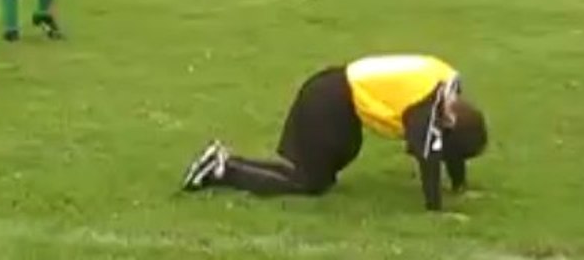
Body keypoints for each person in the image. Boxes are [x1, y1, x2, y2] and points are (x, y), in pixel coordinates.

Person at [180, 54, 488, 212]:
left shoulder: (447, 84)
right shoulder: (429, 106)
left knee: (317, 176)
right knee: (309, 183)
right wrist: (436, 209)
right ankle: (223, 170)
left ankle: (224, 163)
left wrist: (460, 185)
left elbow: (444, 142)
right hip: (328, 101)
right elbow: (430, 155)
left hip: (336, 95)